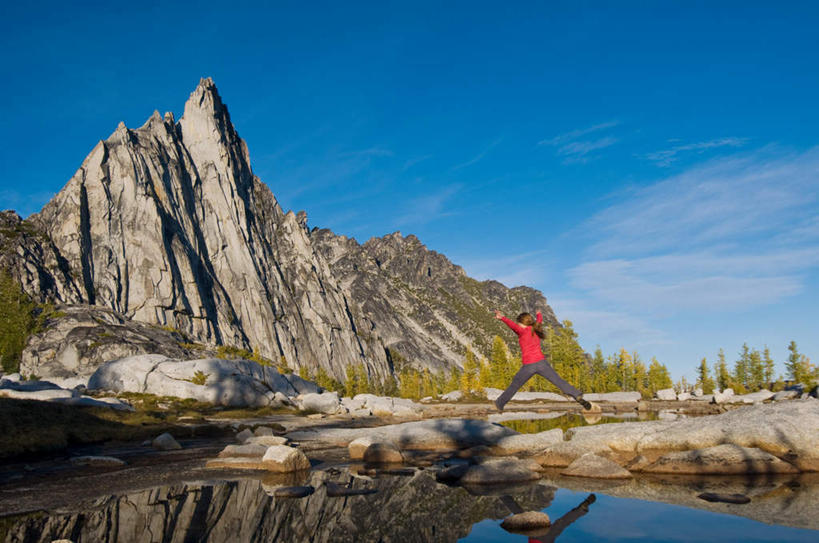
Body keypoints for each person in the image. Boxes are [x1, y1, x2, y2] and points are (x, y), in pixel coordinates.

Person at [493, 309, 599, 412]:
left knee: (515, 384)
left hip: (529, 365)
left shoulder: (522, 330)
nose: (518, 325)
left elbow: (512, 325)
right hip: (542, 363)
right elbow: (539, 321)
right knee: (558, 381)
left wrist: (502, 317)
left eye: (519, 323)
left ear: (522, 323)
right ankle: (577, 396)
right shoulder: (535, 328)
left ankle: (499, 403)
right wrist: (539, 314)